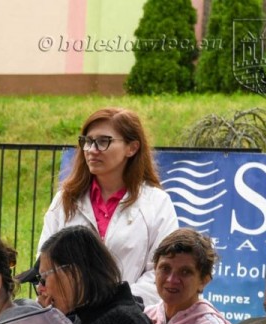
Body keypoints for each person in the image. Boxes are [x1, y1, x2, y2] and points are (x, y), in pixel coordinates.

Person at [38, 107, 178, 306]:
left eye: (103, 141)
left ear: (132, 148)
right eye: (87, 141)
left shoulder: (156, 203)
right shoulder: (64, 200)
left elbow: (161, 271)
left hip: (129, 320)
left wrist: (115, 301)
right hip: (68, 320)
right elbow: (44, 263)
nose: (92, 150)